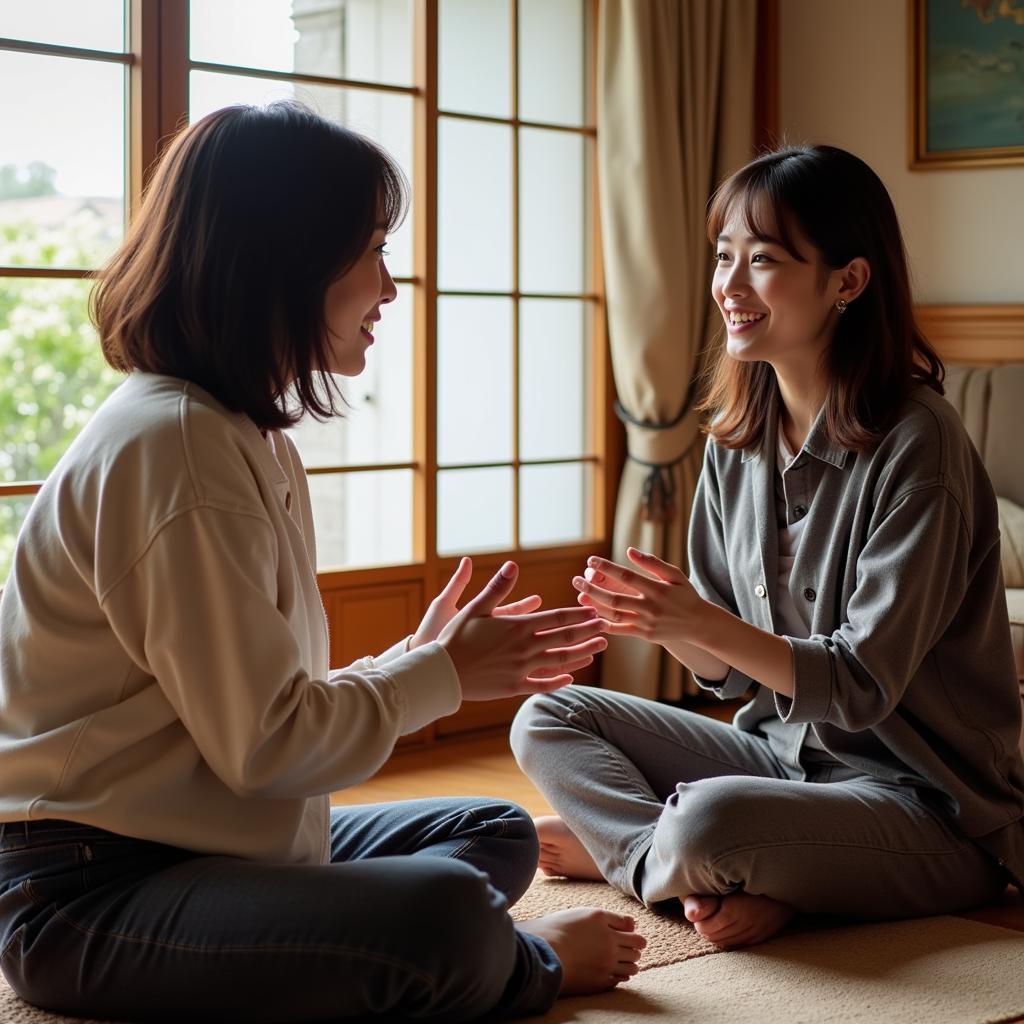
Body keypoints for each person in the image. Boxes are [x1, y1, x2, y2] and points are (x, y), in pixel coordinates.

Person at [0, 102, 645, 1023]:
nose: (389, 286)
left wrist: (414, 663)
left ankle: (335, 939)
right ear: (286, 261)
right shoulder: (176, 447)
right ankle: (512, 962)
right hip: (86, 891)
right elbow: (268, 750)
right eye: (373, 249)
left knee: (490, 830)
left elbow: (257, 717)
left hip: (210, 836)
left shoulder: (242, 433)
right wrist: (440, 678)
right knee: (449, 918)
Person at [511, 144, 1024, 951]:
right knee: (548, 716)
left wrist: (701, 622)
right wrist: (667, 618)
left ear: (847, 282)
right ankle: (695, 864)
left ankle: (669, 856)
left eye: (764, 260)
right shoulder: (735, 439)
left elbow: (858, 686)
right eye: (724, 258)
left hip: (928, 806)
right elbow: (723, 673)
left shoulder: (920, 445)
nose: (730, 285)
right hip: (777, 758)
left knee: (714, 819)